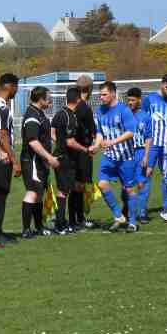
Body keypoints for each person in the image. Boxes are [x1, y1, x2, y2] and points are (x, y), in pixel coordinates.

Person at [93, 81, 138, 232]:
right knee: (102, 184)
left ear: (113, 93)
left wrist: (112, 141)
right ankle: (118, 215)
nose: (101, 97)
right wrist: (96, 145)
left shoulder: (124, 110)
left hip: (126, 157)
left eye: (104, 94)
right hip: (109, 156)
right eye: (100, 95)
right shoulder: (100, 111)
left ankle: (132, 222)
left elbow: (131, 132)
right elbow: (100, 132)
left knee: (129, 189)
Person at [50, 87, 91, 235]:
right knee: (63, 191)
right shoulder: (70, 117)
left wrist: (59, 142)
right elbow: (70, 142)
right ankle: (60, 224)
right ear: (78, 100)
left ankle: (62, 222)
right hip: (66, 158)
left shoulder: (59, 113)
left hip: (58, 155)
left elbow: (52, 132)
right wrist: (85, 150)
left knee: (64, 189)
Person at [19, 86, 59, 237]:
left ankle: (39, 227)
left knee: (39, 194)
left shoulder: (40, 114)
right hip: (32, 161)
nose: (50, 100)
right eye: (48, 97)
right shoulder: (32, 116)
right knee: (32, 192)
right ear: (41, 99)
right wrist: (49, 158)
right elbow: (33, 142)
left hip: (40, 162)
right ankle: (26, 229)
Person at [0, 73, 20, 247]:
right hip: (2, 157)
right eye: (17, 86)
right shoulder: (2, 107)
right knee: (1, 194)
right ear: (11, 86)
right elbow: (2, 135)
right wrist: (14, 159)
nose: (17, 90)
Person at [142, 74, 167, 217]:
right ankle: (142, 210)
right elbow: (143, 119)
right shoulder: (149, 99)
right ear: (162, 83)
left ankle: (166, 207)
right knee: (147, 173)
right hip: (152, 144)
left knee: (166, 175)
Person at [71, 74, 97, 229]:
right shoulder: (83, 107)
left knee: (77, 185)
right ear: (89, 88)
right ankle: (78, 219)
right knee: (79, 186)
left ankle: (76, 218)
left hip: (75, 149)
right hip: (82, 150)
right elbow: (91, 131)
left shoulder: (74, 105)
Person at [124, 88, 152, 223]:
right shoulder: (124, 115)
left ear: (139, 100)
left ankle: (142, 213)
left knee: (142, 183)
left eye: (133, 100)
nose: (130, 103)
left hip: (140, 152)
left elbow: (148, 138)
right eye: (128, 100)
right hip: (126, 153)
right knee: (127, 185)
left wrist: (146, 156)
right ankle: (128, 212)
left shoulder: (145, 117)